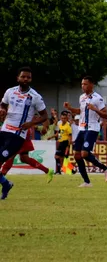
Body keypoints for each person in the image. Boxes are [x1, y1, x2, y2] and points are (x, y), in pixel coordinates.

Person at [0, 67, 50, 199]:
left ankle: (5, 184)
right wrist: (2, 110)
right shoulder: (10, 92)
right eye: (23, 77)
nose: (26, 79)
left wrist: (32, 124)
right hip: (4, 130)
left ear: (31, 79)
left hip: (17, 136)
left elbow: (45, 116)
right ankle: (6, 184)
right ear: (18, 78)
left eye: (28, 77)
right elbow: (3, 104)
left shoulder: (35, 97)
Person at [63, 76, 107, 187]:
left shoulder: (97, 98)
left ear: (91, 85)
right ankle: (87, 182)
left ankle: (106, 169)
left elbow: (106, 114)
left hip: (92, 128)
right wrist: (70, 108)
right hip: (82, 129)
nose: (83, 86)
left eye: (85, 84)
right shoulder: (82, 97)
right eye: (82, 84)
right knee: (77, 155)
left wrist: (95, 109)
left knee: (84, 153)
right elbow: (80, 111)